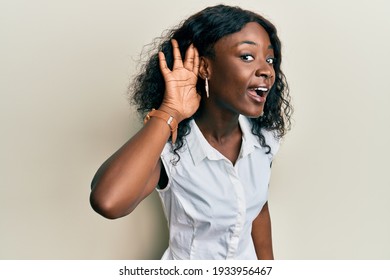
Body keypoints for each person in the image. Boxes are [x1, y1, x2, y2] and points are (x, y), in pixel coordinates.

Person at [90, 4, 292, 260]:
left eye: (270, 59)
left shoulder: (265, 137)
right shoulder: (169, 147)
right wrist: (170, 110)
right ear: (205, 68)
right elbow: (108, 202)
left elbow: (257, 208)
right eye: (247, 57)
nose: (267, 70)